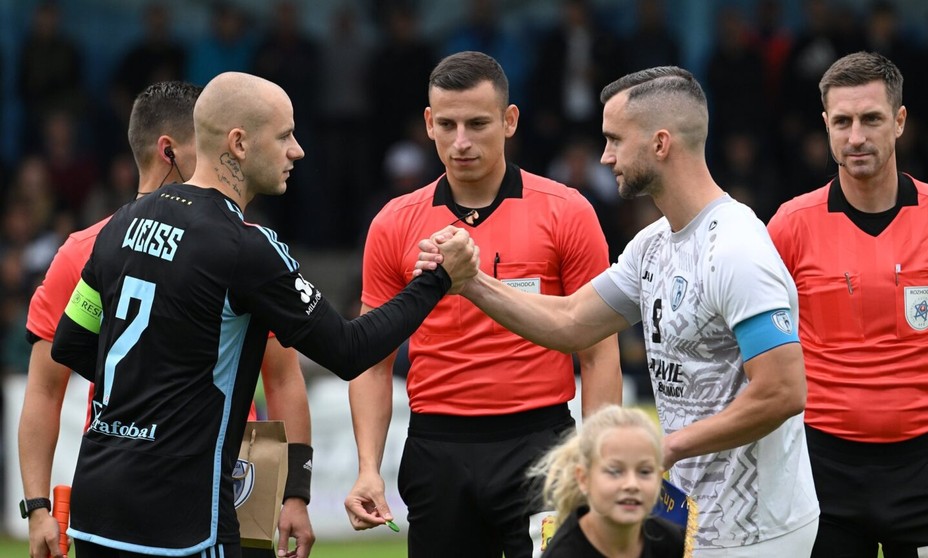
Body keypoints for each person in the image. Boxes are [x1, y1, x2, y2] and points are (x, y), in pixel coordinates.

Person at [48, 72, 478, 558]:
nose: (297, 151)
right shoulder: (244, 247)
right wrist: (438, 280)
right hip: (180, 522)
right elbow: (349, 350)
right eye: (285, 136)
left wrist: (147, 401)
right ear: (238, 143)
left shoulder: (122, 222)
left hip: (96, 508)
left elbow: (72, 344)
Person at [418, 65, 820, 556]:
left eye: (614, 139)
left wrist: (665, 448)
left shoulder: (736, 248)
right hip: (686, 516)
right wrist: (471, 283)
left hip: (759, 528)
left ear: (660, 144)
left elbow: (783, 390)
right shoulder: (652, 245)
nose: (604, 156)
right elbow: (571, 321)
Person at [343, 51, 622, 558]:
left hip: (541, 444)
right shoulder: (393, 222)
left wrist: (601, 458)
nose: (461, 141)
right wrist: (367, 467)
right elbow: (373, 360)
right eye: (446, 125)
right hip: (437, 447)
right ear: (428, 124)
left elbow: (600, 351)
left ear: (509, 120)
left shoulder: (567, 211)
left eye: (477, 123)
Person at [18, 81, 313, 558]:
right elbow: (45, 388)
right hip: (141, 484)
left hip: (237, 476)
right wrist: (36, 506)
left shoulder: (244, 251)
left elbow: (282, 376)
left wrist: (294, 493)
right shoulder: (86, 252)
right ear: (169, 150)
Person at [766, 51, 928, 558]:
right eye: (842, 121)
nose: (856, 137)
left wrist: (925, 411)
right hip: (819, 472)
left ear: (900, 122)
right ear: (825, 125)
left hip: (926, 471)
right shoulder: (788, 227)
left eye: (871, 119)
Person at [533, 404, 684, 558]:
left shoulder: (671, 540)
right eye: (615, 471)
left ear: (659, 478)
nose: (632, 484)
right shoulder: (563, 554)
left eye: (644, 472)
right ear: (584, 479)